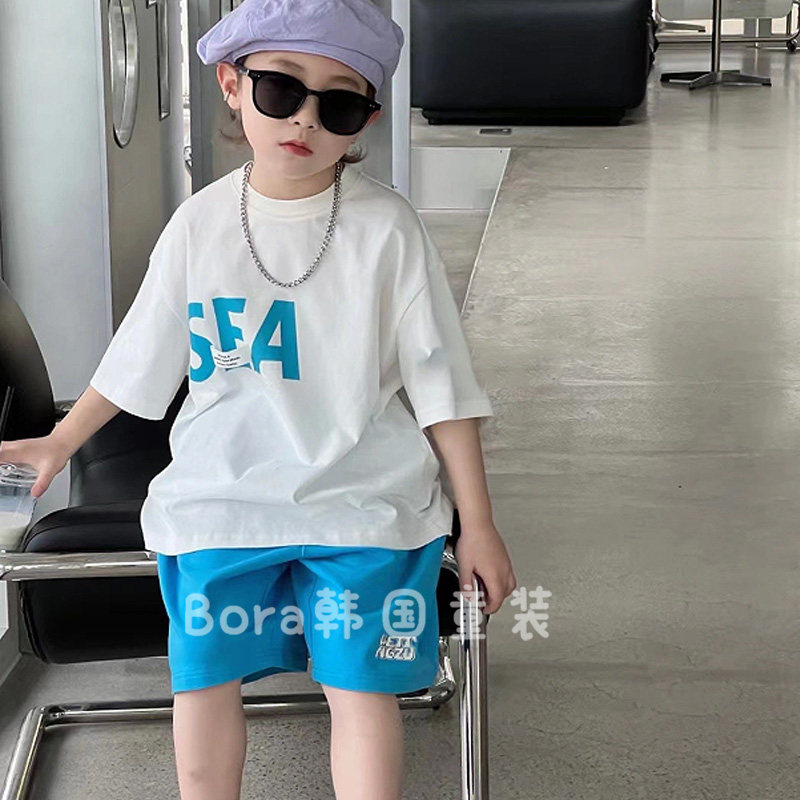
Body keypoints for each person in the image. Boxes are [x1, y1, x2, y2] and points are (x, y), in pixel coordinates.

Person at [0, 0, 517, 797]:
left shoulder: (388, 232)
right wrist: (60, 443)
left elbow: (442, 385)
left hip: (361, 503)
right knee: (203, 681)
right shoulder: (199, 225)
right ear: (233, 86)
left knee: (361, 688)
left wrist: (477, 523)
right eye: (281, 89)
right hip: (221, 500)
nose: (305, 119)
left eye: (338, 104)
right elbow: (138, 357)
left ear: (365, 121)